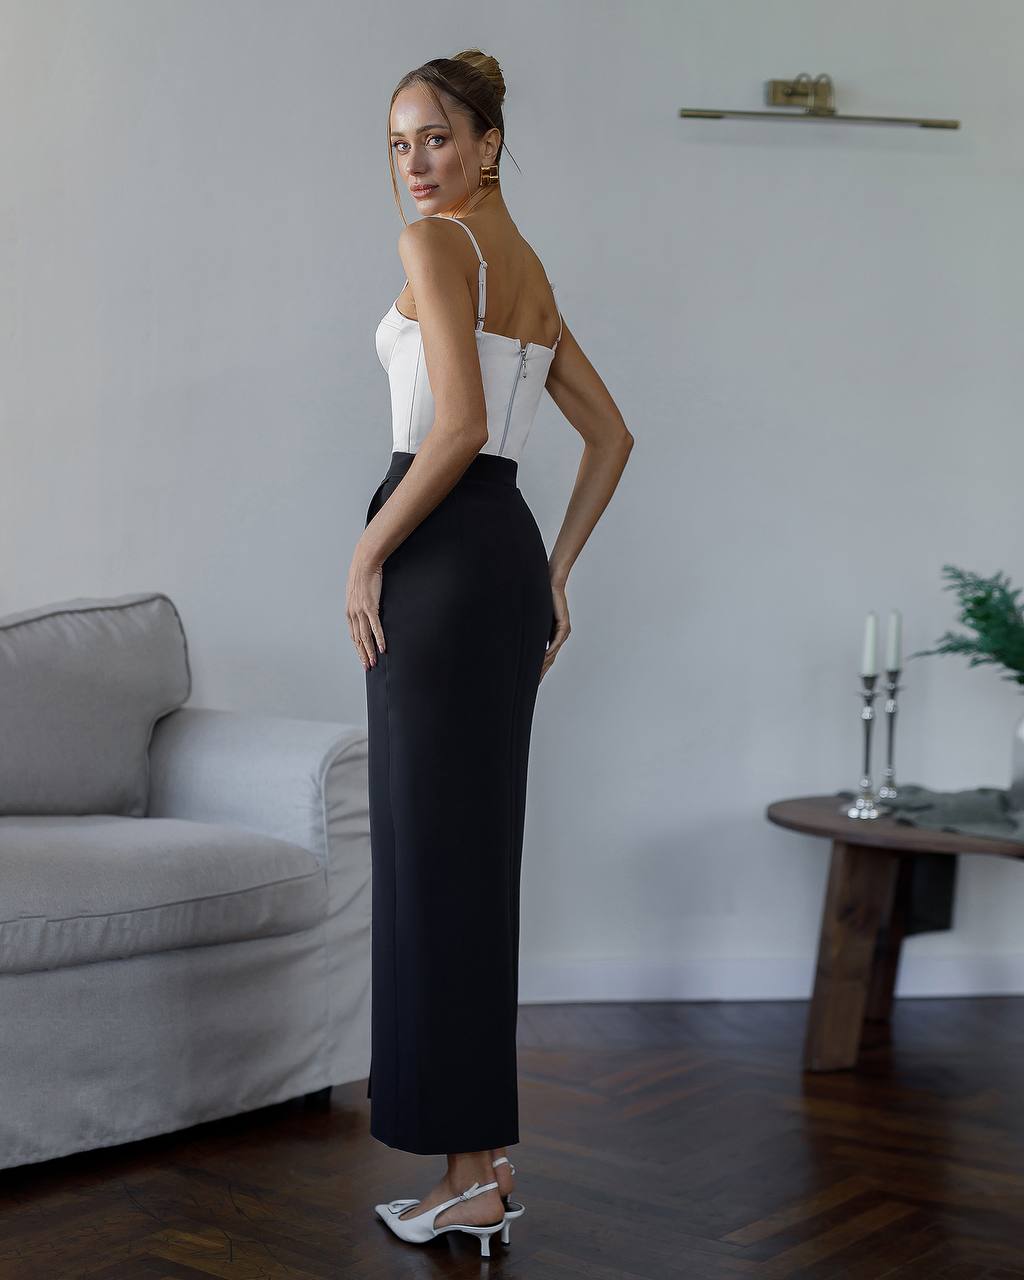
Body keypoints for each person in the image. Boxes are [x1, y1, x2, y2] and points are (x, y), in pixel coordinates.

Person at [346, 48, 633, 1256]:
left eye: (439, 141)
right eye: (400, 144)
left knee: (432, 863)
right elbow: (611, 437)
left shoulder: (439, 249)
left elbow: (453, 427)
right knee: (463, 864)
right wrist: (555, 566)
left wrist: (366, 554)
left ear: (489, 144)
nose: (417, 165)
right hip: (501, 558)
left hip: (440, 556)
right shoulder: (525, 268)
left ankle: (472, 1171)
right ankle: (476, 1171)